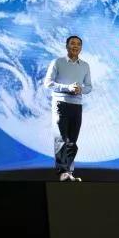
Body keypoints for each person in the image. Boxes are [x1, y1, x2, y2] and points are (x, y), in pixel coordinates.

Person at [44, 35, 92, 181]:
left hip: (77, 105)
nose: (75, 46)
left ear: (81, 48)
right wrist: (67, 88)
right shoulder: (57, 62)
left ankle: (69, 172)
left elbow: (89, 87)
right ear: (66, 46)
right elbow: (48, 83)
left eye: (78, 44)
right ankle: (62, 172)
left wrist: (80, 89)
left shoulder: (85, 66)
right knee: (61, 139)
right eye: (72, 43)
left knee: (72, 141)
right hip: (60, 103)